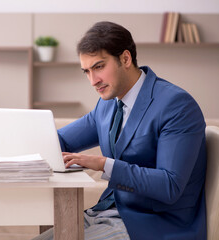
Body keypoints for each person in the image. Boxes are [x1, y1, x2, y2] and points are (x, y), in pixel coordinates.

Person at [33, 21, 207, 240]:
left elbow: (169, 185)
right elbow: (59, 140)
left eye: (98, 67)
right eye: (86, 71)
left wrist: (102, 164)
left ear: (125, 58)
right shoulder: (106, 105)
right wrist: (22, 146)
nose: (93, 81)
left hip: (155, 224)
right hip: (106, 214)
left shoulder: (176, 105)